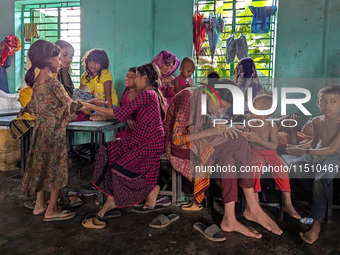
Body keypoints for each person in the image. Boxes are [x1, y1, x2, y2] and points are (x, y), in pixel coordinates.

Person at [165, 80, 283, 240]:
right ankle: (252, 205)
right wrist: (213, 131)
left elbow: (203, 124)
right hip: (183, 148)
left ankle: (229, 219)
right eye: (222, 107)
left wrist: (222, 129)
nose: (220, 111)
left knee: (229, 158)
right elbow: (176, 140)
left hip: (197, 143)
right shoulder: (189, 97)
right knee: (240, 141)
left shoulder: (202, 98)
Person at [79, 63, 166, 221]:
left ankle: (150, 189)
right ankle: (111, 200)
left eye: (137, 76)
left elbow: (120, 113)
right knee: (107, 151)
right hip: (139, 138)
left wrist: (90, 106)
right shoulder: (146, 94)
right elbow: (122, 114)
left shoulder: (148, 94)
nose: (134, 79)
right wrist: (99, 113)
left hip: (150, 142)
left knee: (120, 167)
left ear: (145, 78)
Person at [20, 40, 84, 221]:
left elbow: (31, 107)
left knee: (41, 166)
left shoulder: (37, 82)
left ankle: (39, 205)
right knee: (56, 169)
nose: (60, 61)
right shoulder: (53, 83)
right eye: (58, 57)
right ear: (48, 59)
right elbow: (70, 106)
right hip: (54, 133)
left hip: (40, 132)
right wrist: (88, 103)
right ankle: (52, 210)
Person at [286, 85, 340, 244]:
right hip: (316, 155)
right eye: (324, 101)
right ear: (318, 103)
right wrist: (297, 148)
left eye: (333, 101)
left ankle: (316, 225)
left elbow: (331, 149)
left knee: (319, 182)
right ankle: (310, 205)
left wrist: (308, 152)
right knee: (295, 165)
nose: (327, 105)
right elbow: (314, 143)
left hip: (333, 158)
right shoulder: (316, 121)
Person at [244, 94, 301, 219]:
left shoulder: (271, 125)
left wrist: (258, 139)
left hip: (270, 154)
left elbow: (273, 146)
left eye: (254, 106)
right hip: (254, 152)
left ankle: (288, 203)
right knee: (254, 171)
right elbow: (245, 139)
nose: (250, 108)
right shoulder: (249, 121)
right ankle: (255, 200)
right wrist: (243, 135)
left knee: (282, 170)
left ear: (265, 113)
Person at [116, 67, 139, 139]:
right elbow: (123, 111)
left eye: (132, 77)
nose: (127, 78)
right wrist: (127, 120)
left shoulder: (141, 96)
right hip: (128, 129)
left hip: (138, 130)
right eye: (127, 76)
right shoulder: (126, 95)